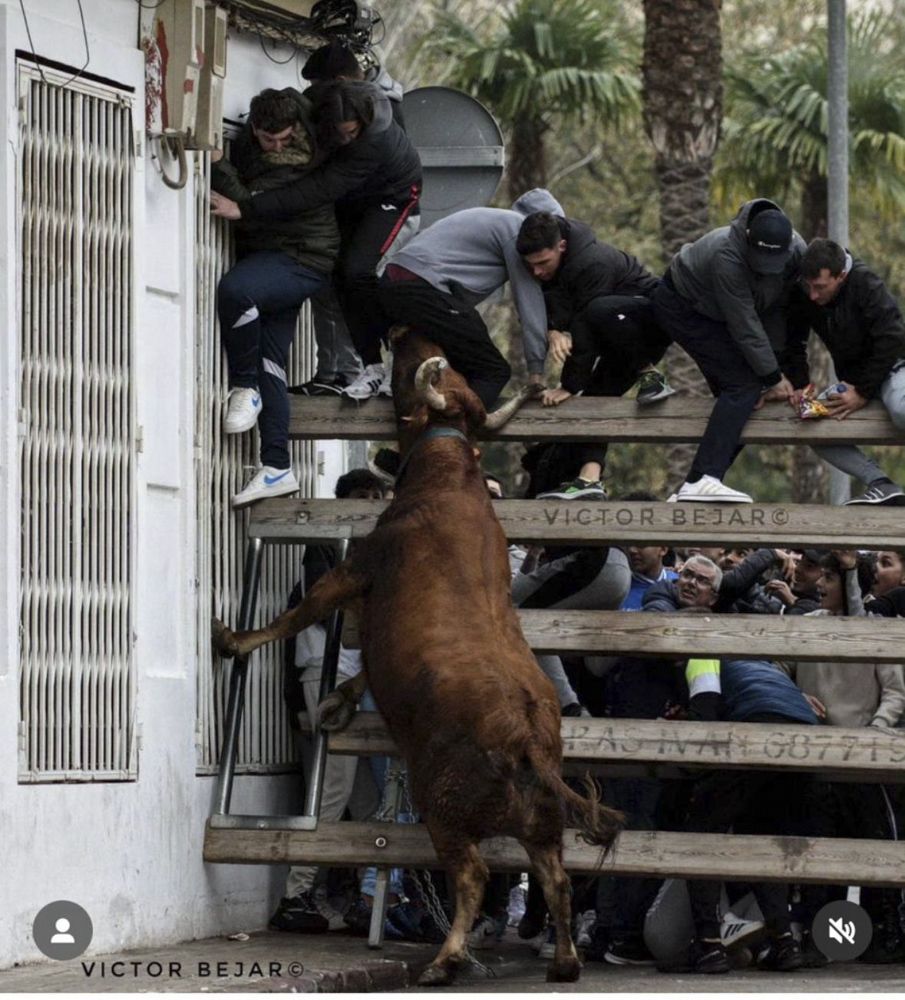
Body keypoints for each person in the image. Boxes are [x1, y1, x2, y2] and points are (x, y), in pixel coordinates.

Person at [211, 80, 422, 402]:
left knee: (357, 272)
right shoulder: (315, 106)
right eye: (340, 133)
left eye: (352, 133)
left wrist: (245, 208)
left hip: (391, 196)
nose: (345, 140)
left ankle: (394, 365)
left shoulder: (370, 143)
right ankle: (364, 368)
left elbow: (316, 190)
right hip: (353, 196)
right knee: (336, 277)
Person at [211, 88, 339, 507]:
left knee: (237, 291)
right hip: (281, 253)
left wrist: (216, 164)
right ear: (254, 128)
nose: (279, 146)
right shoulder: (264, 136)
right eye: (270, 140)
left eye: (286, 137)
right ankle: (277, 467)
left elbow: (249, 205)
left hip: (303, 257)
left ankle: (244, 387)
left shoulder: (306, 153)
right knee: (271, 359)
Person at [652, 198, 805, 502]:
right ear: (749, 239)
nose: (768, 271)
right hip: (685, 306)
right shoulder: (727, 254)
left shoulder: (797, 251)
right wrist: (773, 377)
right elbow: (745, 324)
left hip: (724, 315)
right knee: (744, 386)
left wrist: (784, 369)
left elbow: (778, 310)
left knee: (745, 400)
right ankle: (701, 479)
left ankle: (696, 484)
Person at [514, 212, 674, 501]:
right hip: (611, 336)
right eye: (530, 266)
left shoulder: (593, 262)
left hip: (646, 323)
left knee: (593, 313)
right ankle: (590, 479)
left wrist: (569, 385)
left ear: (561, 246)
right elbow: (558, 308)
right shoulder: (555, 268)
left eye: (542, 263)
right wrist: (553, 331)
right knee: (596, 402)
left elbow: (585, 326)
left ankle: (648, 372)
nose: (536, 272)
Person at [292, 40, 408, 395]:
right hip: (349, 211)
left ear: (341, 80)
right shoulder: (350, 107)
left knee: (358, 282)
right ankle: (333, 371)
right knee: (330, 286)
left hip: (380, 213)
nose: (313, 95)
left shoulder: (378, 112)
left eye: (318, 87)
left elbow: (342, 175)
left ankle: (365, 370)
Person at [378, 190, 565, 408]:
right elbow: (529, 305)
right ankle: (453, 428)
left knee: (462, 358)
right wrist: (536, 373)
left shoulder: (491, 219)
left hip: (394, 281)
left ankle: (425, 403)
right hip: (421, 286)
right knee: (493, 371)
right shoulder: (517, 232)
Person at [786, 238, 905, 505]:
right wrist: (801, 385)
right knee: (810, 423)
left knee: (901, 410)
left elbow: (892, 337)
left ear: (841, 276)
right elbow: (794, 342)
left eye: (820, 287)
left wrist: (862, 392)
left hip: (892, 369)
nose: (813, 296)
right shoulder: (805, 293)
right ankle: (881, 483)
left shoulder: (866, 283)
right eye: (809, 286)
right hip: (851, 382)